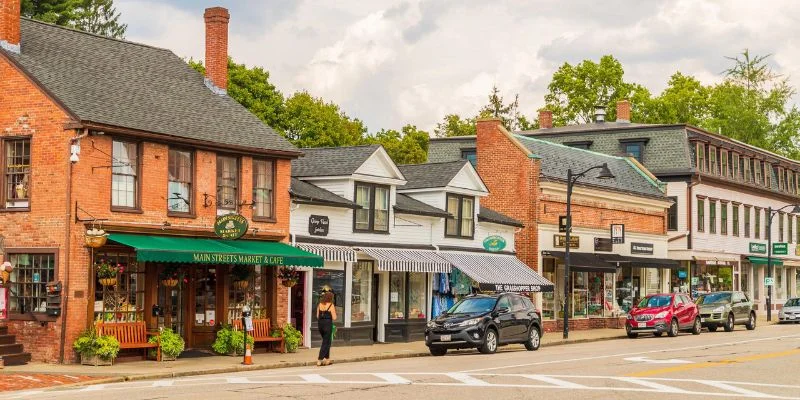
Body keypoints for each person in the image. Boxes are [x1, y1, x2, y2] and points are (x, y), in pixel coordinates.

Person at [316, 289, 337, 366]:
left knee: (327, 341)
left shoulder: (320, 304)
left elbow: (317, 316)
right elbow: (334, 317)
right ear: (331, 298)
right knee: (326, 342)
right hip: (327, 325)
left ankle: (327, 359)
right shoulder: (331, 305)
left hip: (320, 325)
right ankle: (319, 359)